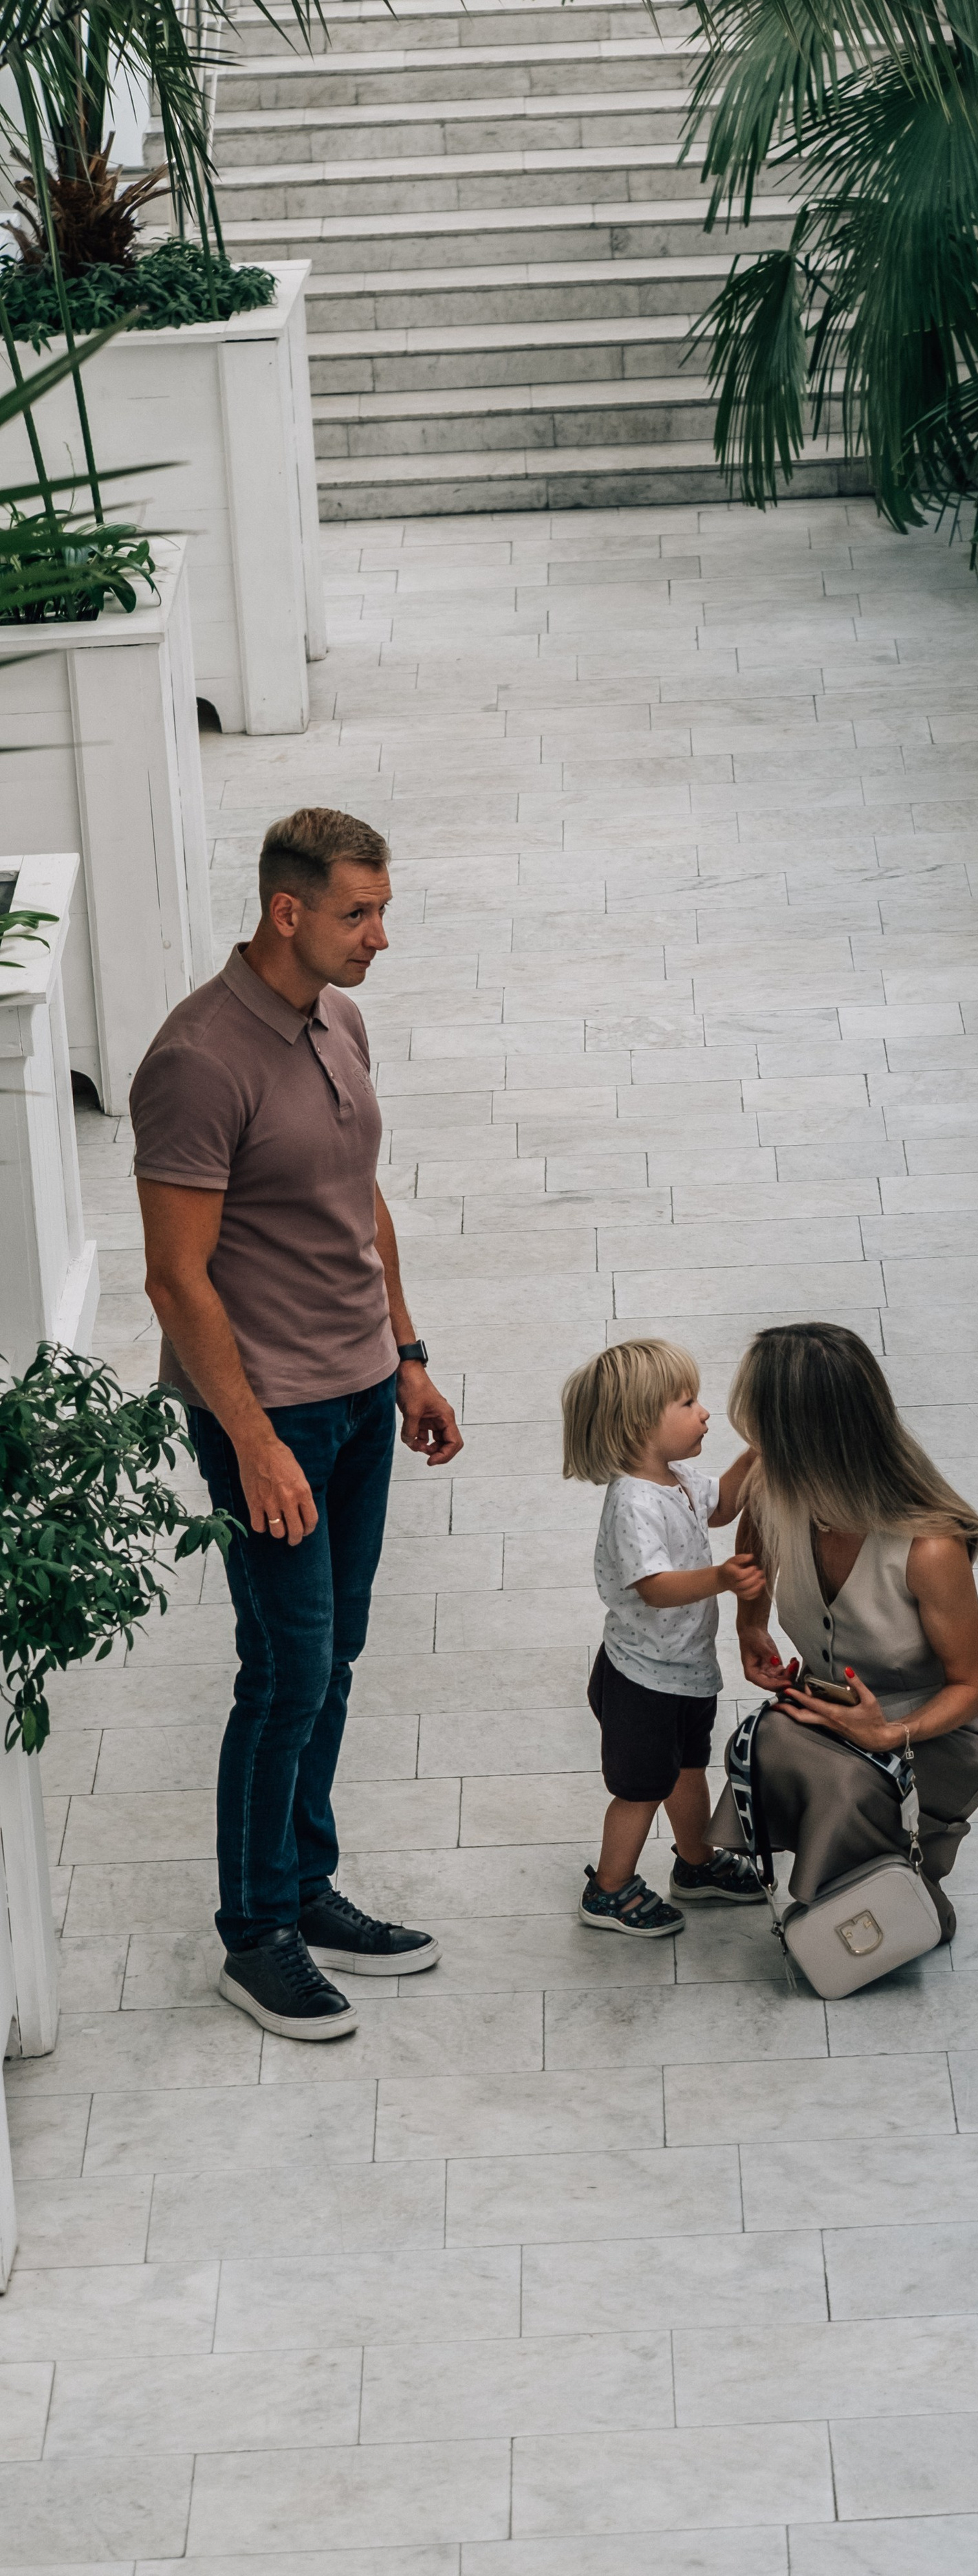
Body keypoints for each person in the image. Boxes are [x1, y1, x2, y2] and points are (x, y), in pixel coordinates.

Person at [131, 807, 463, 2043]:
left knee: (339, 1655)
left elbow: (356, 1196)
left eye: (381, 909)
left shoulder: (341, 1019)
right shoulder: (198, 1061)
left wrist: (409, 1356)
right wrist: (255, 1441)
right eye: (359, 913)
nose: (382, 935)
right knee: (286, 1673)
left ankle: (307, 1884)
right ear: (288, 912)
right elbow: (176, 1277)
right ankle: (256, 1933)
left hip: (364, 1391)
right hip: (266, 1414)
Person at [708, 1321, 978, 1939]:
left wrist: (890, 1732)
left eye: (764, 1433)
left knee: (845, 1783)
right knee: (763, 1744)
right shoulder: (775, 1488)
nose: (751, 1446)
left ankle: (889, 1905)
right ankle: (849, 1889)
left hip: (934, 1727)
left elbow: (970, 1687)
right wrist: (750, 1626)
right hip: (841, 1707)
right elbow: (752, 1545)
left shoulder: (929, 1547)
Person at [562, 1337, 772, 1936]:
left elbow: (724, 1505)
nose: (704, 1411)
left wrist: (758, 1451)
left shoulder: (674, 1477)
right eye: (687, 1402)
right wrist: (721, 1578)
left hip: (682, 1670)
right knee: (640, 1790)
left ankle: (696, 1864)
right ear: (638, 1425)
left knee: (687, 1769)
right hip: (642, 1680)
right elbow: (653, 1586)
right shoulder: (633, 1501)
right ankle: (608, 1890)